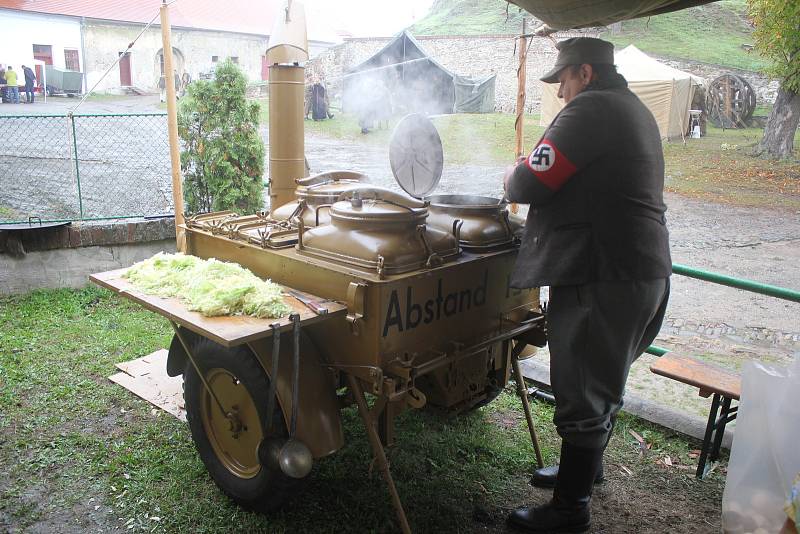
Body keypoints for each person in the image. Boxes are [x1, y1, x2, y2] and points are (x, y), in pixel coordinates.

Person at [502, 37, 671, 533]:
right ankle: (586, 469)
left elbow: (530, 182)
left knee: (581, 385)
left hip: (603, 274)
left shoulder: (592, 108)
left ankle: (570, 510)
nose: (560, 94)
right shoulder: (630, 107)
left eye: (564, 81)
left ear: (586, 74)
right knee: (604, 379)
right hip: (640, 271)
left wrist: (513, 174)